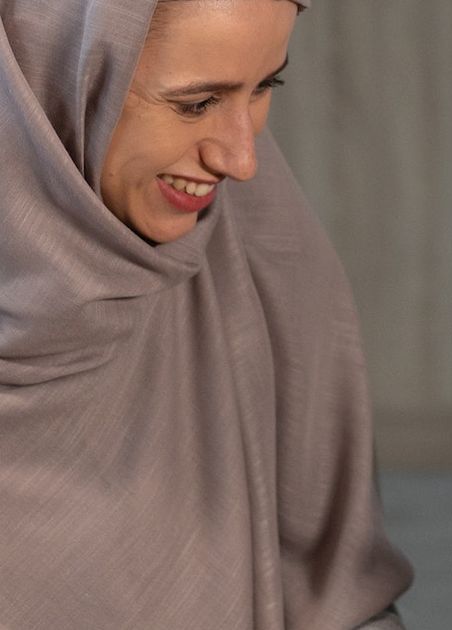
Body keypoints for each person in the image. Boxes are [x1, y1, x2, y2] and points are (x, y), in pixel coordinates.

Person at [0, 1, 411, 628]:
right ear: (45, 74)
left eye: (263, 87)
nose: (242, 161)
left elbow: (341, 599)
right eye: (196, 104)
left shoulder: (263, 263)